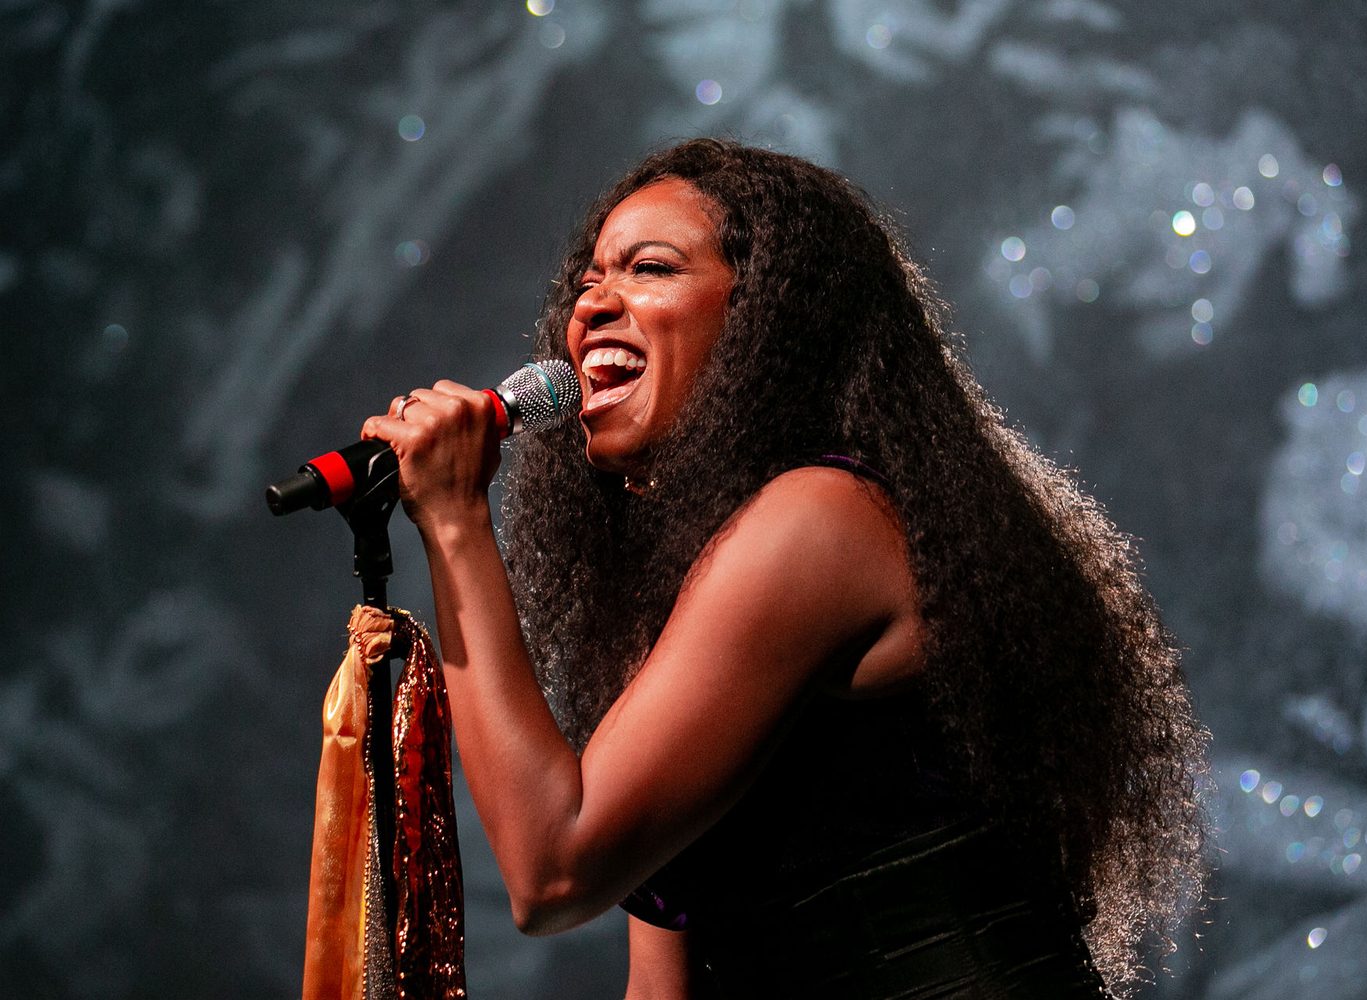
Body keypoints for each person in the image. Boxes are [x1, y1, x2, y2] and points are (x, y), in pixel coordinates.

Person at [360, 138, 1208, 998]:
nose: (593, 306)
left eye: (648, 268)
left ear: (771, 316)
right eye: (586, 282)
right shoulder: (689, 584)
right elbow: (662, 985)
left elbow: (554, 869)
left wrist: (459, 519)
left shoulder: (818, 522)